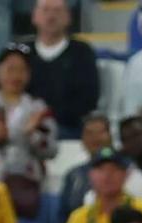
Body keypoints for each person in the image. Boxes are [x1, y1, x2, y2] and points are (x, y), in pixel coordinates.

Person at [0, 43, 59, 219]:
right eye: (10, 69)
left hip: (26, 189)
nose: (16, 76)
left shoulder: (38, 109)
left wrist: (32, 134)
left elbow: (51, 150)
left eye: (22, 70)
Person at [26, 0, 99, 137]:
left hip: (69, 127)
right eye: (45, 10)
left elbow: (89, 99)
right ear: (34, 16)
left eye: (57, 10)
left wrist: (47, 116)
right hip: (25, 127)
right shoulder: (22, 53)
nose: (51, 16)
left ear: (68, 17)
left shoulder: (82, 52)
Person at [59, 114, 115, 222]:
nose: (95, 138)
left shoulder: (125, 169)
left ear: (110, 136)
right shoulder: (73, 175)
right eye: (89, 133)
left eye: (100, 132)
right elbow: (63, 217)